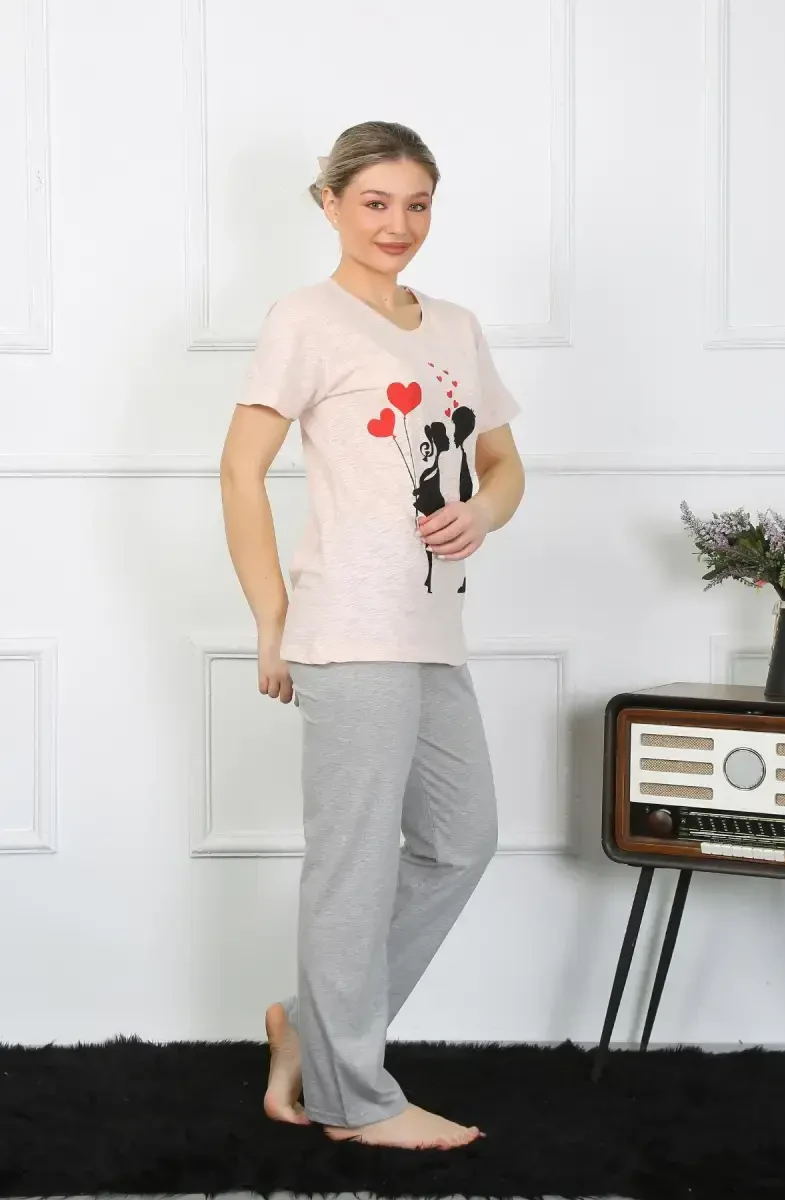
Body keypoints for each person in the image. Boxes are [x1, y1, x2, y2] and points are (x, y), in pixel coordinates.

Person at [220, 120, 525, 1151]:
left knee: (461, 840)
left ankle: (310, 1030)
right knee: (351, 868)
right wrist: (272, 621)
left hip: (431, 629)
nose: (398, 224)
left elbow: (504, 468)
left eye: (417, 204)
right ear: (331, 204)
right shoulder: (305, 319)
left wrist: (482, 513)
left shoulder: (456, 327)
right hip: (348, 630)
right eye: (375, 202)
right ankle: (352, 1101)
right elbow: (239, 471)